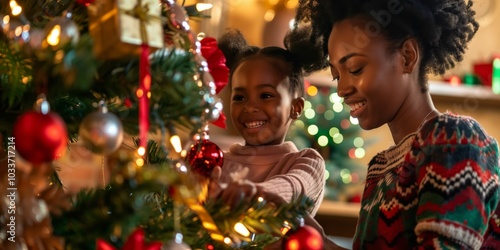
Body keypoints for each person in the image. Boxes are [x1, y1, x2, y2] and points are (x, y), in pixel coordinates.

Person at [283, 0, 500, 249]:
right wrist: (322, 244)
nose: (342, 89)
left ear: (407, 57)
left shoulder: (456, 140)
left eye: (355, 68)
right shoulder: (382, 168)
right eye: (336, 75)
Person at [209, 29, 327, 216]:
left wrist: (254, 194)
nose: (249, 107)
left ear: (295, 107)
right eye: (239, 97)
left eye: (265, 95)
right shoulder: (214, 162)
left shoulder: (305, 163)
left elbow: (295, 187)